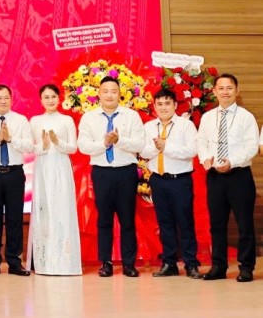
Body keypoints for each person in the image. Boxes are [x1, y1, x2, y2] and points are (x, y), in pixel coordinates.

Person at [77, 75, 145, 277]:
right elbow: (83, 146)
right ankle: (105, 263)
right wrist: (105, 143)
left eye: (113, 91)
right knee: (104, 219)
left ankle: (129, 264)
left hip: (126, 172)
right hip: (102, 173)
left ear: (119, 94)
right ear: (98, 94)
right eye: (105, 91)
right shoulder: (89, 118)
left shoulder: (131, 116)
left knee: (127, 219)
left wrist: (119, 141)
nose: (109, 95)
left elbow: (139, 144)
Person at [196, 73, 258, 282]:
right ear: (214, 91)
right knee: (217, 224)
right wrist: (205, 158)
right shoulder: (207, 117)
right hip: (215, 177)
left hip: (239, 175)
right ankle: (218, 266)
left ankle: (246, 267)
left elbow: (251, 147)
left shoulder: (246, 117)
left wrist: (231, 161)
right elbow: (201, 142)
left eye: (229, 88)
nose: (225, 92)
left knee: (244, 224)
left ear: (237, 91)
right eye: (221, 88)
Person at [140, 88, 201, 278]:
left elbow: (191, 151)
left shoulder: (186, 126)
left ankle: (191, 263)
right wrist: (157, 148)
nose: (163, 107)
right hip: (158, 180)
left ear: (175, 105)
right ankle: (169, 263)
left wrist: (166, 147)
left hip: (179, 180)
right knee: (164, 223)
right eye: (159, 104)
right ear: (154, 106)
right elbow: (143, 151)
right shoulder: (149, 126)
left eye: (167, 103)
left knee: (185, 222)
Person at [26, 83, 81, 275]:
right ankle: (44, 262)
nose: (50, 100)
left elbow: (73, 148)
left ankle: (65, 261)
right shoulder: (35, 121)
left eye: (53, 97)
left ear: (59, 98)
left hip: (61, 168)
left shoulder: (66, 120)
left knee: (62, 209)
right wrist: (44, 144)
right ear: (41, 100)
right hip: (43, 169)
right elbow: (31, 148)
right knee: (44, 210)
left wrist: (58, 142)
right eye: (46, 97)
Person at [0, 84, 33, 276]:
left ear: (11, 99)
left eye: (6, 98)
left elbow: (29, 146)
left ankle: (14, 262)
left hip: (14, 174)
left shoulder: (21, 120)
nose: (3, 101)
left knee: (14, 219)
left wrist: (10, 139)